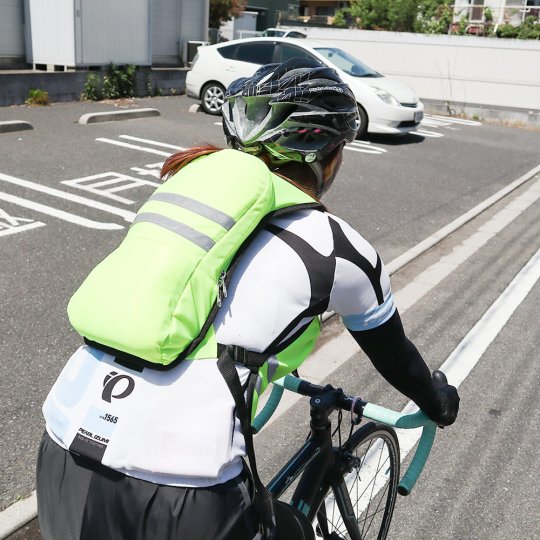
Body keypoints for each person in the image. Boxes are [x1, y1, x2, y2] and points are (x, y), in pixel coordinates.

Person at [36, 58, 459, 540]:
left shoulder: (183, 196)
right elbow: (397, 358)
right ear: (328, 151)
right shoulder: (339, 247)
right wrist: (439, 401)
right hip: (184, 490)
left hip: (62, 446)